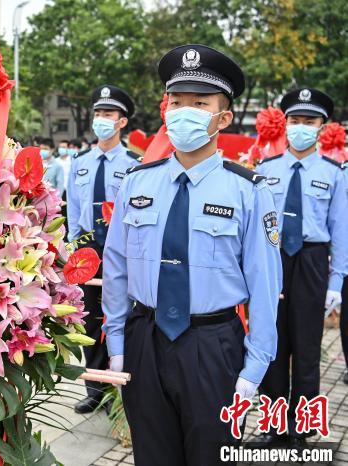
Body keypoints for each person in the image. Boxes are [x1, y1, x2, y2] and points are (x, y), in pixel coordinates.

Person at [102, 45, 282, 466]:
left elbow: (265, 284)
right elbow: (116, 268)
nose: (185, 112)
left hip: (212, 346)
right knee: (152, 454)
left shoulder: (249, 190)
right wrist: (116, 342)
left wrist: (255, 366)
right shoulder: (137, 182)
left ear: (223, 118)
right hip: (145, 337)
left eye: (199, 103)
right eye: (177, 102)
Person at [256, 88, 348, 447]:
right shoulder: (266, 169)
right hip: (274, 259)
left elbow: (341, 230)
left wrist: (336, 281)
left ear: (321, 127)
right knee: (270, 344)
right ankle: (274, 425)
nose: (300, 128)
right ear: (285, 124)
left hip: (312, 260)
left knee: (307, 349)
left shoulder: (335, 173)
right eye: (295, 121)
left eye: (308, 122)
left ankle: (302, 428)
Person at [67, 84, 140, 414]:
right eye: (98, 114)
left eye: (108, 114)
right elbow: (72, 212)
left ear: (122, 121)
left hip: (120, 247)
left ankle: (119, 388)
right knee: (90, 320)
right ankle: (94, 388)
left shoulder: (136, 164)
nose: (101, 120)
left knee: (121, 318)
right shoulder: (79, 162)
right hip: (87, 247)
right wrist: (70, 248)